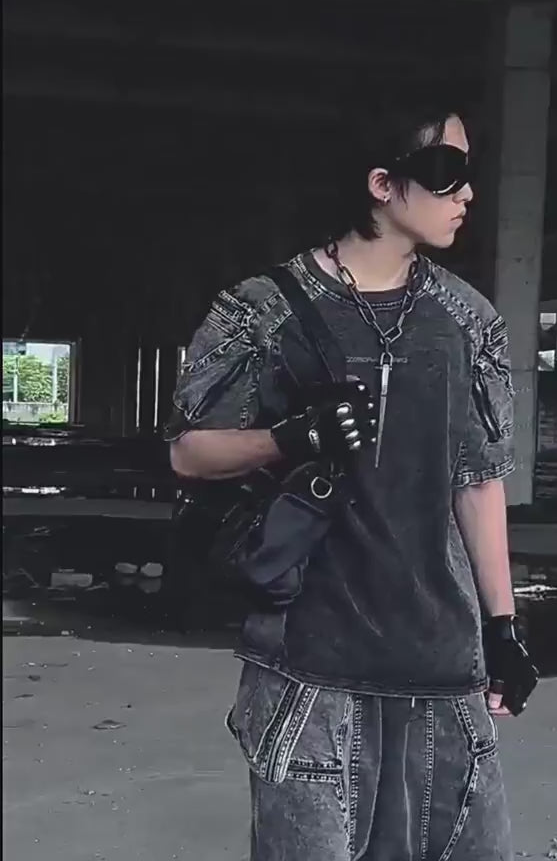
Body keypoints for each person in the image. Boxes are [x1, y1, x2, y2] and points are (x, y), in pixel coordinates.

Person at [164, 87, 537, 860]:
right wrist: (290, 437)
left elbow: (478, 480)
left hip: (442, 668)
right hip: (308, 671)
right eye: (447, 171)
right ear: (381, 183)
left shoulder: (467, 321)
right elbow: (188, 452)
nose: (467, 193)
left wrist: (502, 628)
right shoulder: (265, 312)